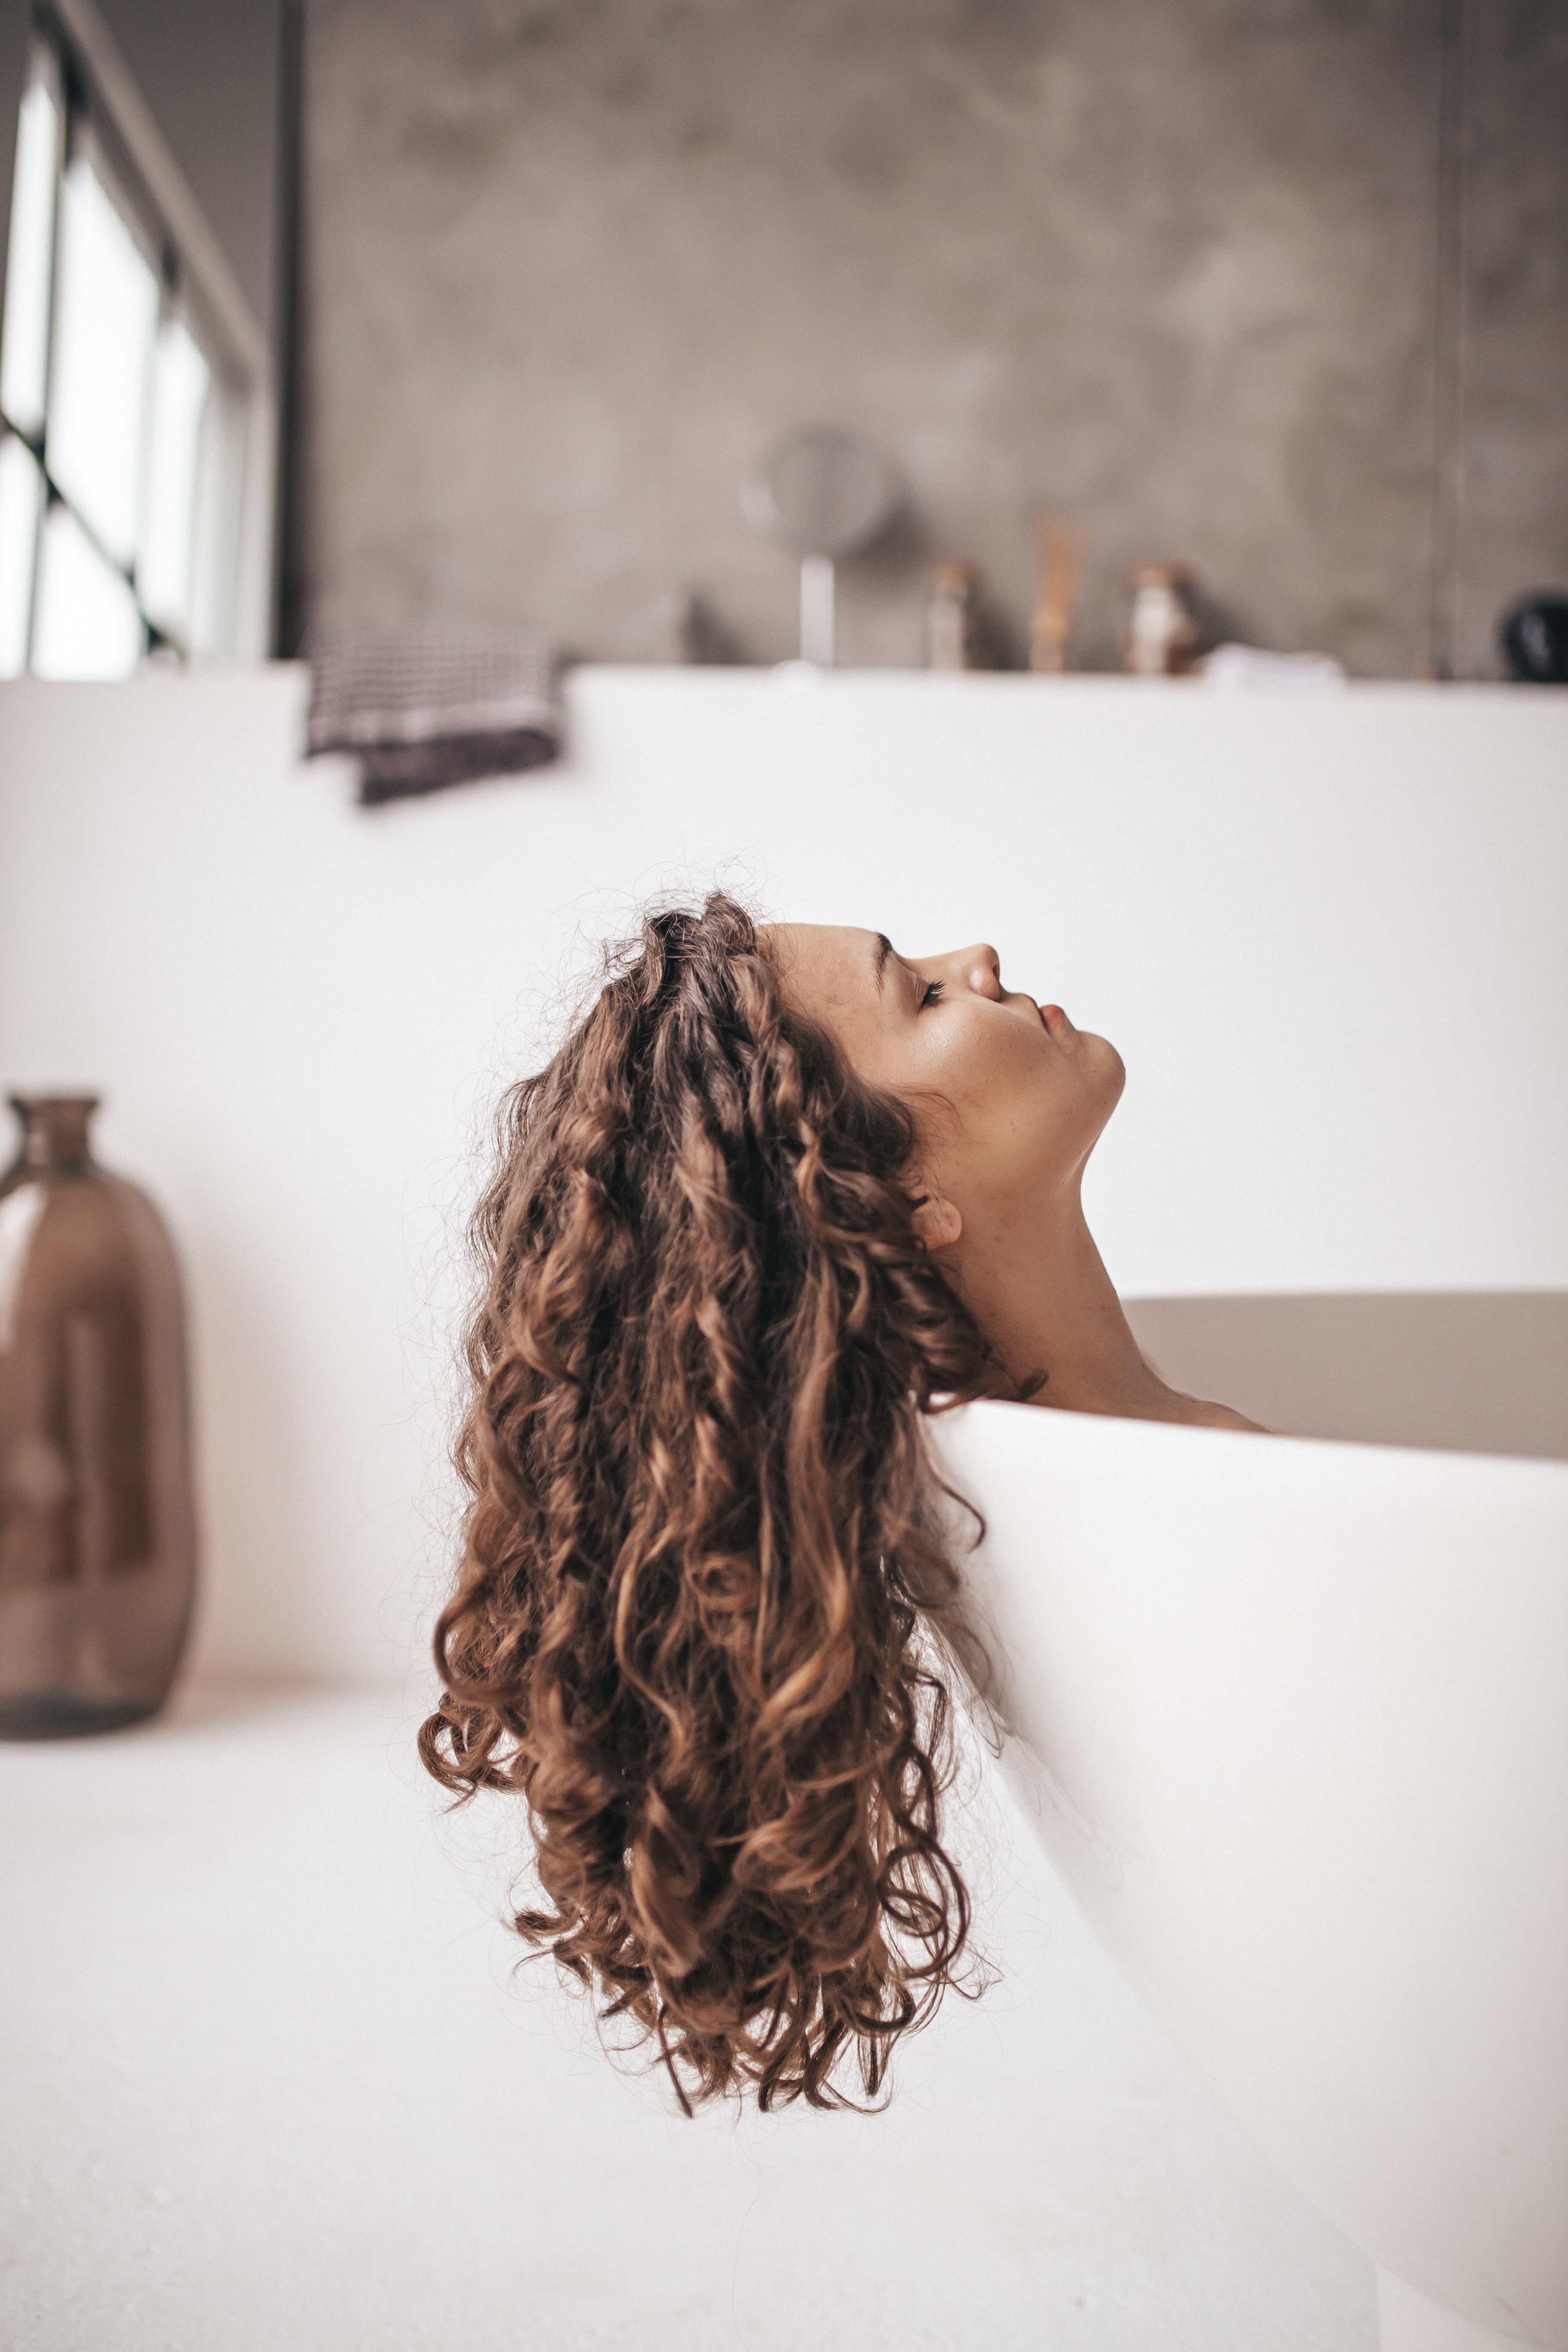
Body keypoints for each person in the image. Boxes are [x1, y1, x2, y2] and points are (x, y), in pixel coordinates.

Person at [420, 891, 1262, 2116]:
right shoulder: (1193, 1509)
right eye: (922, 995)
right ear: (907, 1203)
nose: (976, 958)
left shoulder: (1147, 1466)